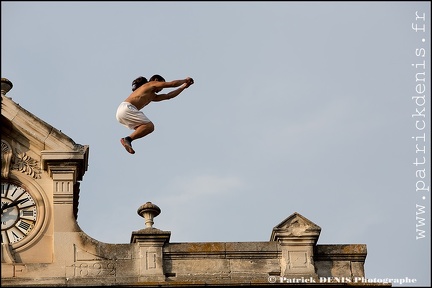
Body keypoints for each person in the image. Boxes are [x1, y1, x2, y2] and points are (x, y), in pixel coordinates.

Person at [116, 74, 194, 154]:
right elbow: (172, 84)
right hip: (127, 108)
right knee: (149, 126)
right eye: (162, 85)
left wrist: (184, 86)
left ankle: (128, 140)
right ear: (156, 80)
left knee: (146, 128)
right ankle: (128, 139)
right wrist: (185, 80)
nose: (161, 89)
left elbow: (168, 96)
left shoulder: (152, 96)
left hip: (120, 114)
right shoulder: (151, 84)